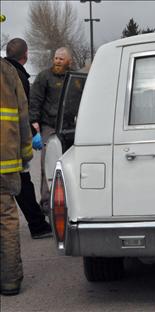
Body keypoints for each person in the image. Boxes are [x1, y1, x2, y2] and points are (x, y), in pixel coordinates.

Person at [5, 38, 53, 239]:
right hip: (10, 144)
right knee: (23, 183)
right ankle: (37, 225)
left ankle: (37, 224)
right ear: (26, 55)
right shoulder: (18, 77)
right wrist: (29, 144)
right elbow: (22, 114)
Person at [1, 57, 33, 296]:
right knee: (6, 219)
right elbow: (23, 117)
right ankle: (10, 281)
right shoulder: (8, 72)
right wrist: (25, 154)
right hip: (6, 163)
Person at [29, 47, 73, 214]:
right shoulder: (44, 77)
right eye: (55, 58)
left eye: (61, 59)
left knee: (70, 166)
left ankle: (69, 199)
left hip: (71, 128)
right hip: (50, 126)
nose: (57, 61)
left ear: (69, 61)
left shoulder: (74, 79)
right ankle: (47, 202)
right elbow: (35, 101)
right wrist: (35, 125)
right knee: (48, 164)